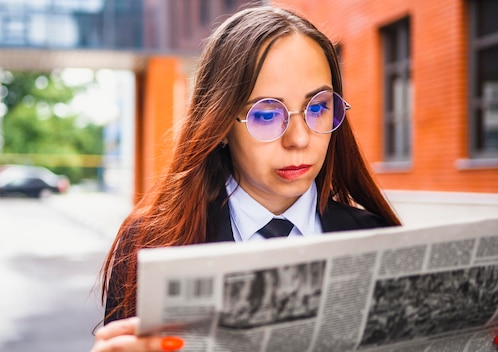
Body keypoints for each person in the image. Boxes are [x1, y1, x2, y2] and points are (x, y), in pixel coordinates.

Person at [91, 5, 401, 352]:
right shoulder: (149, 241)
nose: (298, 139)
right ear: (221, 125)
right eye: (267, 113)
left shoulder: (377, 238)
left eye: (317, 108)